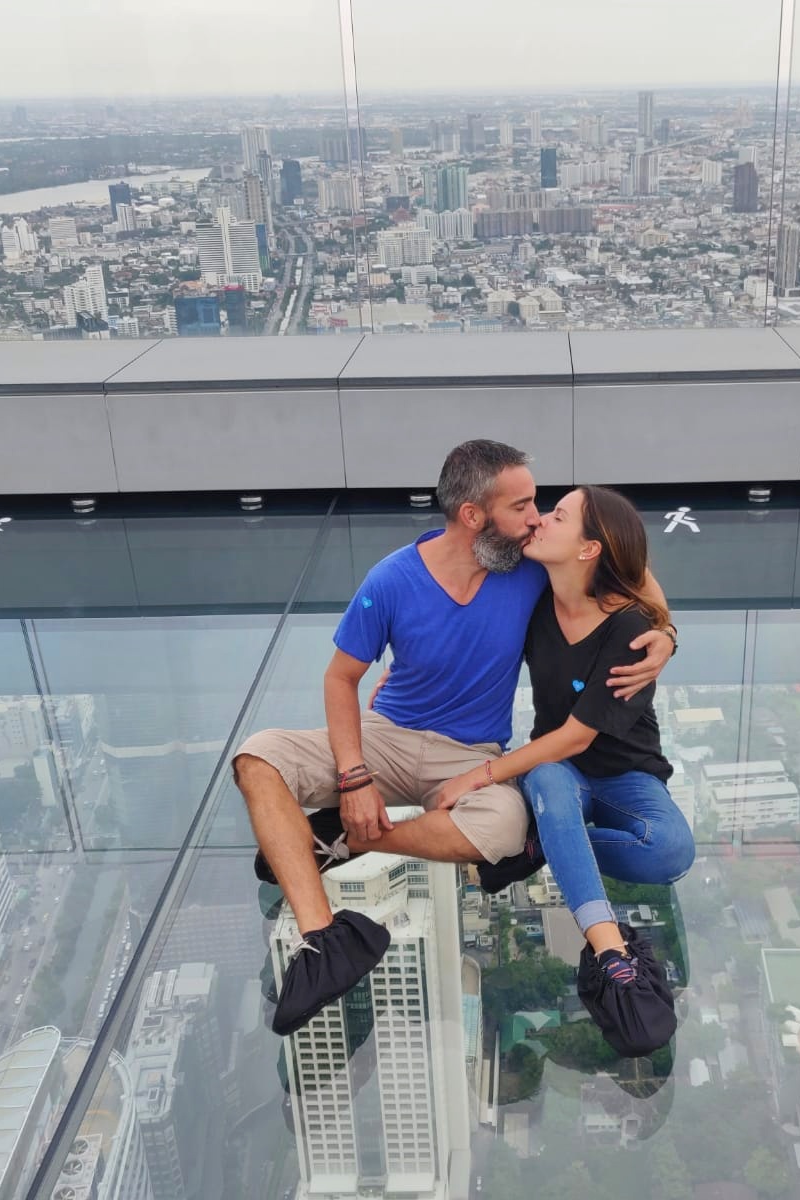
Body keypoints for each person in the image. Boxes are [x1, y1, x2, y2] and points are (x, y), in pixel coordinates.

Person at [231, 440, 676, 1036]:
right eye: (521, 506)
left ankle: (352, 838)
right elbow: (340, 678)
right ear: (472, 515)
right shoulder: (391, 579)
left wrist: (665, 632)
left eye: (539, 506)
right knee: (258, 757)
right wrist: (354, 776)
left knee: (507, 827)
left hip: (470, 753)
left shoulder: (530, 569)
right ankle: (323, 940)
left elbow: (625, 566)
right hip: (386, 736)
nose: (536, 518)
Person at [433, 485, 693, 1057]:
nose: (540, 520)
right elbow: (460, 624)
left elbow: (579, 733)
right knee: (550, 776)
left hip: (627, 774)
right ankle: (610, 952)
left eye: (558, 516)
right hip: (559, 773)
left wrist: (480, 776)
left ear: (588, 549)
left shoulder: (629, 626)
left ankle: (548, 843)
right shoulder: (533, 592)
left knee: (672, 852)